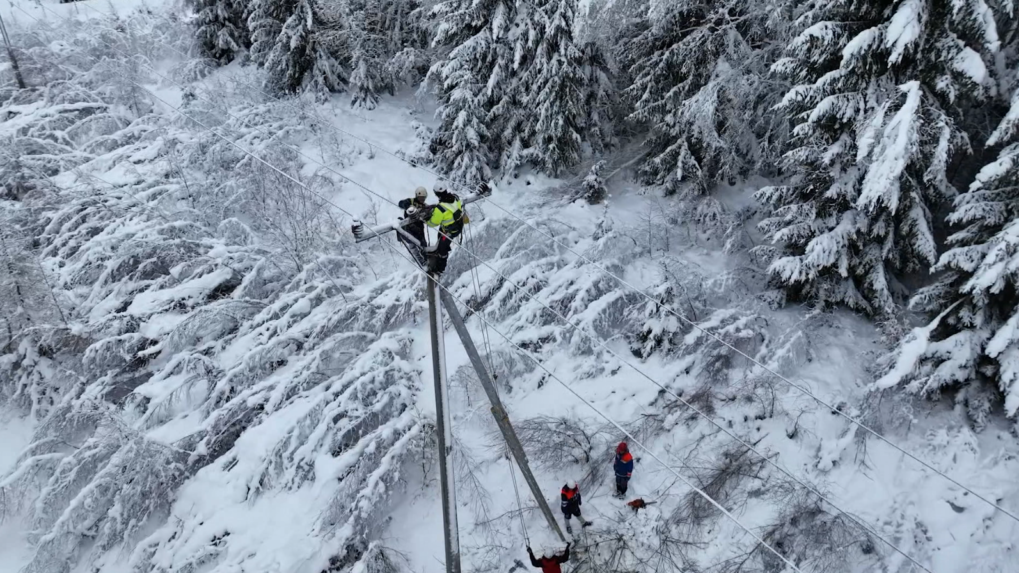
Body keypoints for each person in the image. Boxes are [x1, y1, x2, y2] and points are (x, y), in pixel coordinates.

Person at [397, 187, 429, 264]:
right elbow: (400, 203)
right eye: (421, 197)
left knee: (423, 245)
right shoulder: (410, 201)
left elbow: (428, 215)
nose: (422, 199)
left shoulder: (425, 206)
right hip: (409, 228)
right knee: (412, 245)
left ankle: (427, 259)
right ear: (417, 196)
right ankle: (420, 261)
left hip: (419, 228)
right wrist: (406, 205)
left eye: (424, 198)